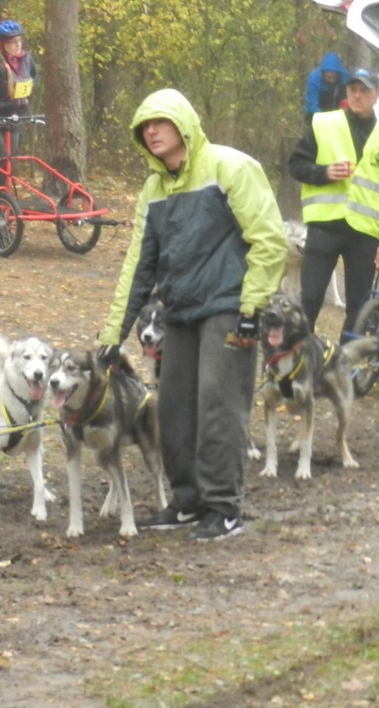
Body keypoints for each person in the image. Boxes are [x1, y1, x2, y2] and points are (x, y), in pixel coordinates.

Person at [97, 89, 286, 541]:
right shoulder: (154, 188)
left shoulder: (229, 167)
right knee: (175, 409)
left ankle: (224, 508)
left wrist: (252, 308)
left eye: (160, 122)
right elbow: (138, 265)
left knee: (219, 405)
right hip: (179, 312)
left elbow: (269, 239)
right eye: (145, 126)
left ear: (183, 125)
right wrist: (112, 335)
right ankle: (188, 502)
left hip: (229, 308)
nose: (152, 131)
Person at [289, 67, 379, 341]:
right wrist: (324, 173)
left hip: (365, 232)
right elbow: (295, 165)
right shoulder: (324, 124)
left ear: (376, 95)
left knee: (358, 306)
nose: (357, 95)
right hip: (325, 226)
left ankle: (345, 366)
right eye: (353, 89)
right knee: (312, 298)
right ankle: (298, 357)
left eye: (364, 90)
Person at [0, 19, 39, 196]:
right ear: (2, 44)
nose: (18, 45)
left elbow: (34, 77)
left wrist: (25, 97)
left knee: (8, 165)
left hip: (15, 118)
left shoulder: (26, 60)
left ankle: (2, 207)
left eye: (19, 40)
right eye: (13, 42)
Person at [304, 51, 349, 125]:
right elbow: (313, 105)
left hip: (337, 111)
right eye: (328, 77)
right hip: (316, 113)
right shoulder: (314, 79)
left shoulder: (345, 77)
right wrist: (326, 121)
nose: (331, 80)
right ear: (322, 74)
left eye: (334, 77)